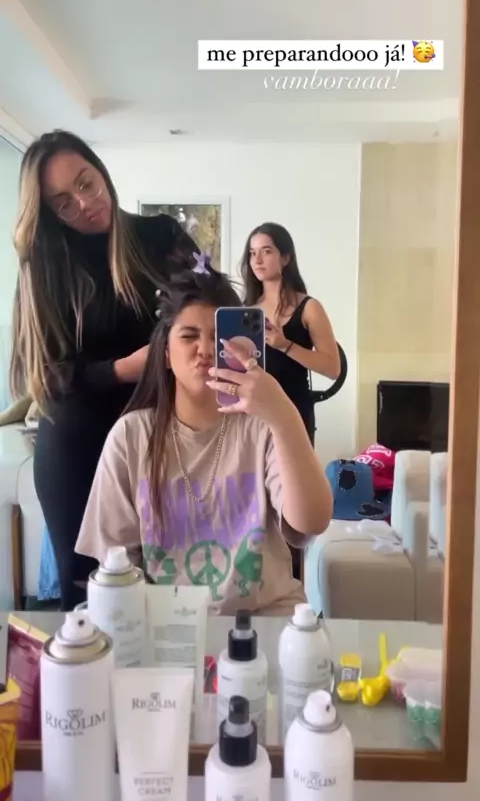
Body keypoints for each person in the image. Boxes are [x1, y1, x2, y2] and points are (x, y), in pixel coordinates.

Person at [75, 259, 333, 616]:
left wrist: (284, 414)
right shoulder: (131, 437)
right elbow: (116, 563)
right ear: (166, 353)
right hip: (167, 623)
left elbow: (313, 521)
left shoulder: (262, 428)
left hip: (265, 618)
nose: (205, 349)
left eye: (217, 336)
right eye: (189, 336)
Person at [10, 129, 198, 611]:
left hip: (162, 437)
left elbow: (211, 305)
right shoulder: (47, 264)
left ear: (99, 169)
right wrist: (120, 370)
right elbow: (47, 375)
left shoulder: (161, 236)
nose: (85, 203)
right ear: (49, 213)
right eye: (63, 203)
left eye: (86, 182)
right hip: (78, 447)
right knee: (89, 606)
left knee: (173, 597)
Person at [241, 222, 341, 445]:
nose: (257, 260)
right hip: (254, 413)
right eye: (252, 253)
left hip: (295, 411)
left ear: (285, 258)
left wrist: (285, 345)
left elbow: (333, 368)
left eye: (266, 251)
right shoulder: (244, 311)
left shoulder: (309, 307)